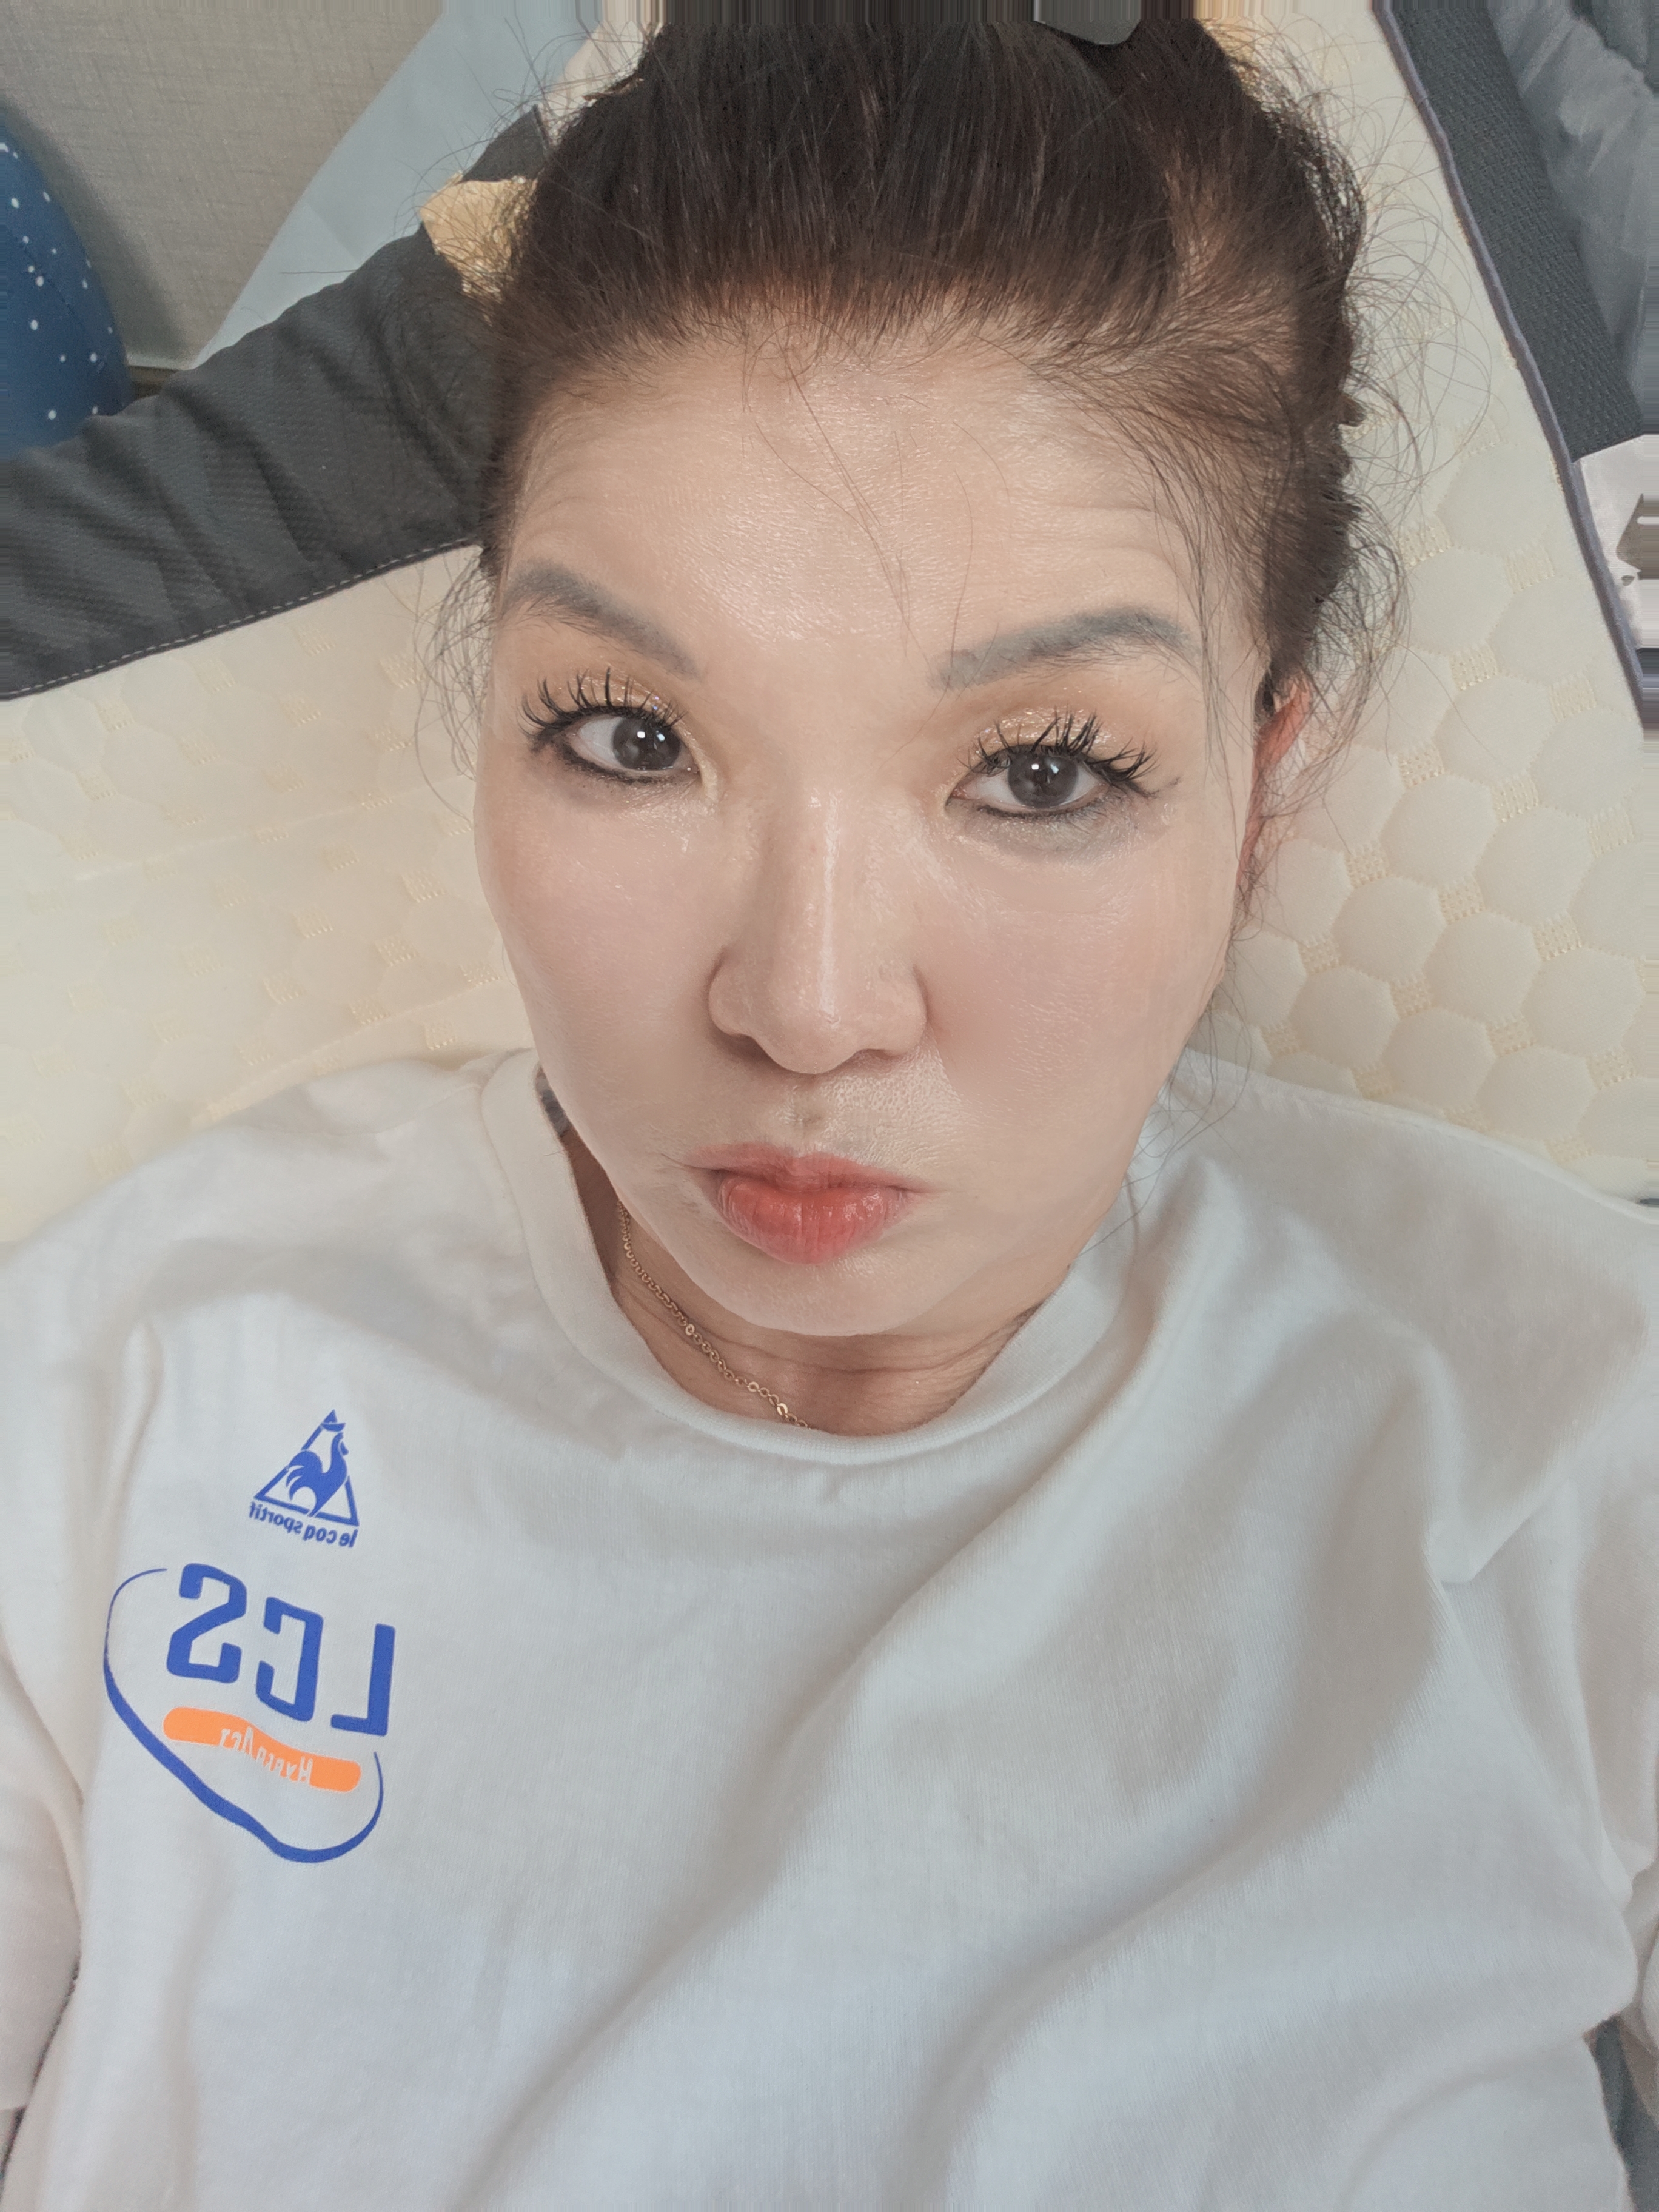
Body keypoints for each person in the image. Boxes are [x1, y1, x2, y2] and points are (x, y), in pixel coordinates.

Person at [0, 18, 1652, 2209]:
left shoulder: (1564, 1432)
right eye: (628, 737)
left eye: (1042, 772)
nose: (804, 1006)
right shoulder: (143, 1373)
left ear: (1268, 789)